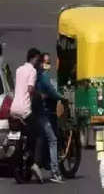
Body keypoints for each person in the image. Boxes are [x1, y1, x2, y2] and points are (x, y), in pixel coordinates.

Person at [9, 48, 44, 182]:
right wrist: (40, 95)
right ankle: (35, 163)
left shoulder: (18, 70)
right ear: (34, 58)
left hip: (14, 109)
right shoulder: (32, 71)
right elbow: (30, 90)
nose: (38, 62)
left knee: (27, 133)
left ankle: (24, 154)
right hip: (24, 110)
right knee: (39, 134)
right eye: (38, 59)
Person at [35, 52, 65, 183]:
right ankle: (55, 171)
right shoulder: (43, 78)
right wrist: (61, 98)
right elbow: (52, 92)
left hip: (34, 112)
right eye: (45, 62)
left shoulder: (35, 76)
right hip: (44, 112)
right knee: (53, 139)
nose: (47, 65)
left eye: (49, 62)